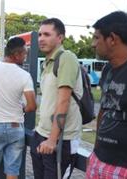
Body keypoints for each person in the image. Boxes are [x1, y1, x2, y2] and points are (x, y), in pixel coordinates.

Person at [86, 11, 127, 178]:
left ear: (112, 39)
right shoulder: (108, 69)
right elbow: (103, 112)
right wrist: (95, 152)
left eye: (97, 38)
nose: (93, 44)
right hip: (100, 161)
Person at [30, 18, 83, 179]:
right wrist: (39, 133)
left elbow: (64, 101)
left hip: (61, 140)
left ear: (60, 38)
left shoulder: (66, 58)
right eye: (40, 34)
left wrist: (52, 140)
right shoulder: (47, 63)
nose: (41, 38)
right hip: (41, 135)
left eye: (47, 34)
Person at [0, 37, 37, 179]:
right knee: (12, 169)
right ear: (16, 55)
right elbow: (32, 106)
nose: (25, 56)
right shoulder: (24, 75)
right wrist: (21, 108)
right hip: (15, 127)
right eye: (24, 53)